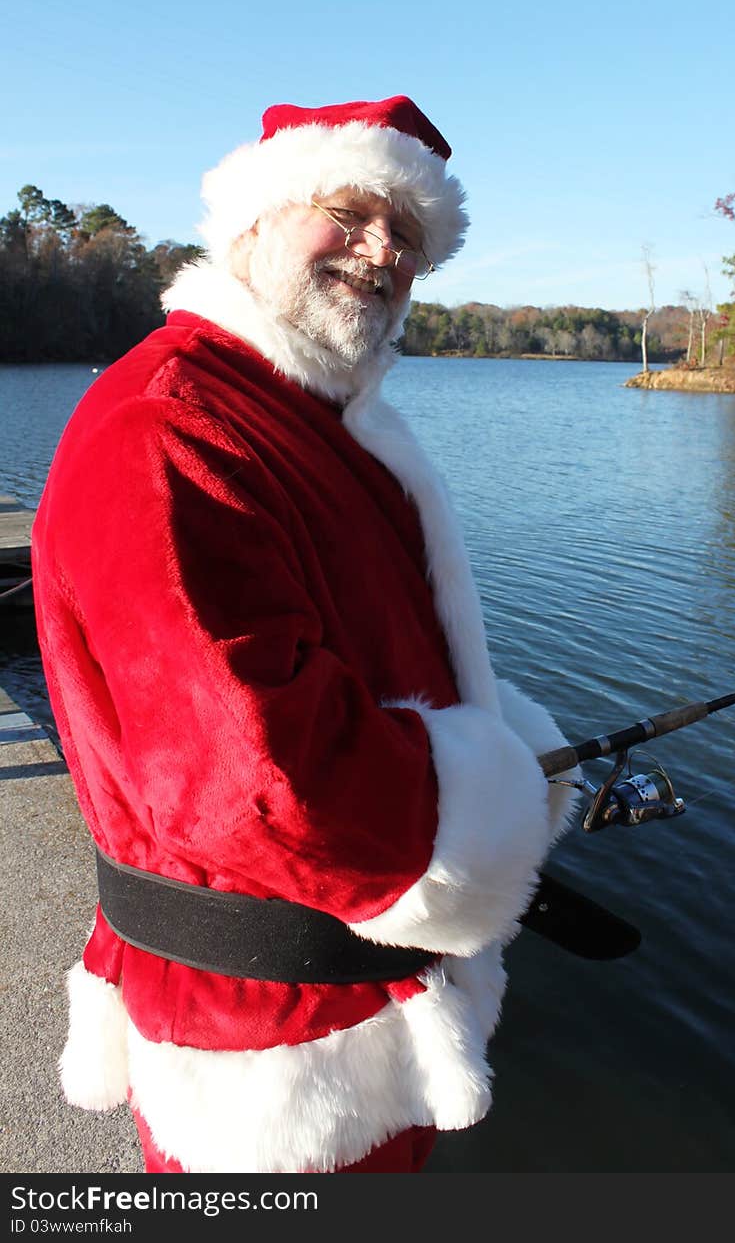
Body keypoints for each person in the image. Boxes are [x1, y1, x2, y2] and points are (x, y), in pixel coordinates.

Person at [32, 95, 578, 1175]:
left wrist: (507, 744)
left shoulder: (297, 417)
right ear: (251, 223)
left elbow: (362, 654)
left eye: (412, 237)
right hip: (272, 1045)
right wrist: (492, 807)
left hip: (342, 1000)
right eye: (350, 211)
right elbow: (255, 773)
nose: (385, 251)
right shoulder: (174, 422)